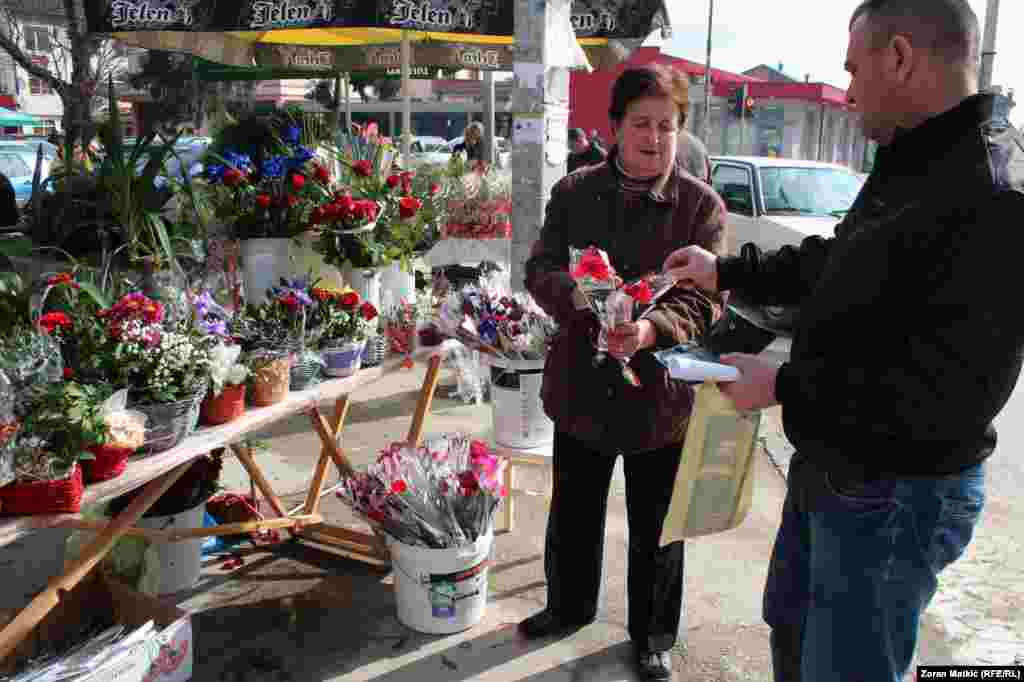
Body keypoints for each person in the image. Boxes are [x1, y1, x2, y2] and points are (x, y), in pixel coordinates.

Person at [663, 1, 1024, 680]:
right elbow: (839, 261)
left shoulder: (992, 192)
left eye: (855, 69)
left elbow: (942, 395)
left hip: (894, 498)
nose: (850, 91)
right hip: (834, 467)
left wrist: (781, 386)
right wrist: (727, 270)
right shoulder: (915, 158)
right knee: (796, 643)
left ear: (900, 57)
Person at [522, 64, 728, 682]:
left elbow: (705, 300)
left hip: (659, 395)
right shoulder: (574, 192)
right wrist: (581, 297)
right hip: (582, 382)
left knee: (658, 523)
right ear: (614, 127)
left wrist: (648, 330)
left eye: (668, 126)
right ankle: (568, 606)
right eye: (642, 123)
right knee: (575, 510)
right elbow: (539, 269)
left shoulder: (700, 207)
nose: (655, 138)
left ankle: (654, 634)